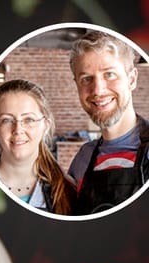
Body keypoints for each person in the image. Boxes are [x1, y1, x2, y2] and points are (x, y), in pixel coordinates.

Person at [68, 30, 149, 215]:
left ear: (132, 79)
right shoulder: (83, 157)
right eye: (86, 79)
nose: (98, 90)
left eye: (109, 74)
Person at [0, 79, 76, 215]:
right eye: (7, 120)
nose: (18, 129)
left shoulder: (68, 191)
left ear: (45, 125)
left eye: (29, 119)